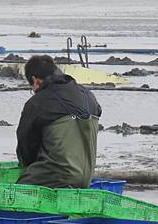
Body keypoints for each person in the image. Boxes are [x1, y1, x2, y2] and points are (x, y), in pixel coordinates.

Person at [16, 55, 102, 189]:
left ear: (35, 81)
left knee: (20, 187)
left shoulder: (38, 103)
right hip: (87, 177)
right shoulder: (88, 95)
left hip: (58, 176)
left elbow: (25, 146)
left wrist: (30, 166)